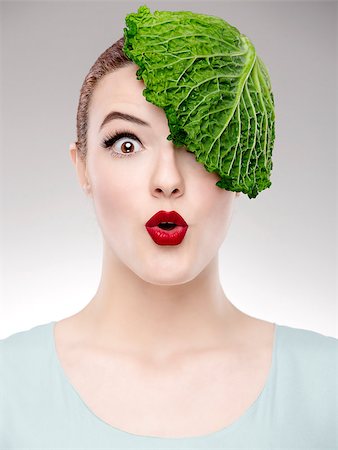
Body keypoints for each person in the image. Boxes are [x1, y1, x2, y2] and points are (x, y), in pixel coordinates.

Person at [0, 10, 337, 449]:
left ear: (237, 161)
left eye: (197, 144)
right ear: (82, 167)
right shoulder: (8, 386)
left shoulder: (326, 386)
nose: (167, 179)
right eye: (127, 144)